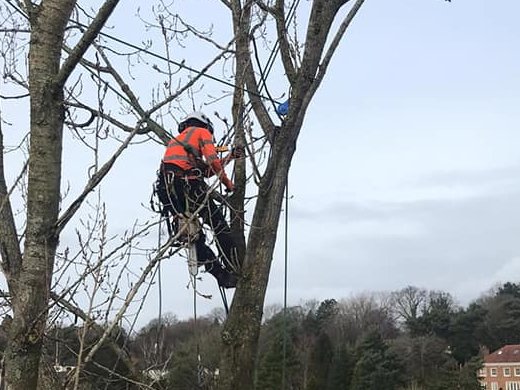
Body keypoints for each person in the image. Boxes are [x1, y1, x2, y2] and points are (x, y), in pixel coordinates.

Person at [157, 111, 241, 288]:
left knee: (192, 237)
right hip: (188, 187)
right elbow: (212, 161)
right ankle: (235, 266)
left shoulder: (177, 142)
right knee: (219, 225)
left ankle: (221, 274)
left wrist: (229, 157)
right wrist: (228, 183)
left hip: (168, 191)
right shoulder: (202, 133)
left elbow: (206, 171)